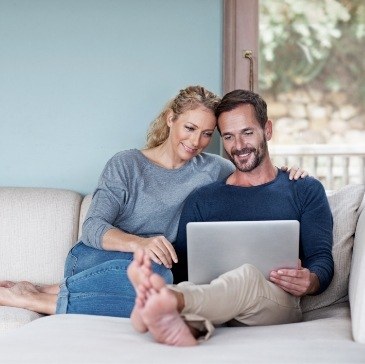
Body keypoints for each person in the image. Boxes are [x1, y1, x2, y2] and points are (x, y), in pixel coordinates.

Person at [0, 86, 306, 318]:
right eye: (189, 128)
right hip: (96, 260)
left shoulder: (213, 169)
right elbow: (92, 227)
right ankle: (37, 300)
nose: (196, 141)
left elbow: (252, 173)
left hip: (155, 271)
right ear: (171, 119)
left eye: (206, 134)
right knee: (159, 278)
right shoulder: (127, 164)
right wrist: (139, 244)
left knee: (168, 286)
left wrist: (286, 173)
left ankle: (48, 290)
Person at [127, 89, 334, 346]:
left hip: (276, 304)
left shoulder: (303, 189)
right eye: (228, 136)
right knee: (213, 291)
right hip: (217, 302)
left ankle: (168, 300)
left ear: (267, 130)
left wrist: (310, 281)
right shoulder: (202, 199)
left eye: (247, 132)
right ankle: (184, 323)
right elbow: (183, 269)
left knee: (246, 277)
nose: (239, 146)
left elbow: (322, 260)